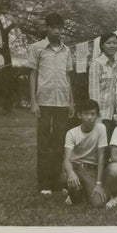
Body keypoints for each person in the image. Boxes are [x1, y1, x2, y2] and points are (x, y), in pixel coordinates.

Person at [27, 13, 75, 195]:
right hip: (44, 101)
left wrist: (71, 101)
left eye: (60, 27)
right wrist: (33, 101)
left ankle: (56, 181)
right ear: (47, 28)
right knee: (44, 142)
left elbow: (68, 76)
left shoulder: (66, 50)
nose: (57, 30)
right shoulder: (37, 48)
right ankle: (44, 184)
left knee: (60, 142)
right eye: (54, 27)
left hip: (62, 102)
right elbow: (32, 74)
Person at [63, 99, 109, 208]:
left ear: (97, 115)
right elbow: (67, 159)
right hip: (76, 167)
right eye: (86, 114)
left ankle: (82, 190)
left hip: (91, 169)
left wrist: (98, 184)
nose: (89, 117)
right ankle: (74, 192)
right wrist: (70, 173)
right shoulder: (71, 133)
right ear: (79, 115)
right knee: (65, 177)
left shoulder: (101, 129)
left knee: (98, 203)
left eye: (93, 114)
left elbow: (101, 156)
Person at [88, 32, 117, 140]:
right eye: (108, 43)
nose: (112, 46)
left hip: (116, 114)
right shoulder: (97, 63)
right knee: (102, 147)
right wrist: (96, 115)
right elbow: (93, 92)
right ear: (102, 45)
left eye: (115, 43)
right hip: (102, 114)